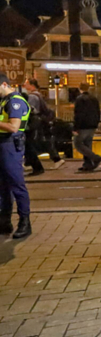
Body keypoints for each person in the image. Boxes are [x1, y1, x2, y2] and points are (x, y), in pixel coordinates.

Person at [0, 72, 32, 239]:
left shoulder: (16, 101)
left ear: (4, 85)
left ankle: (24, 222)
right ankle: (4, 221)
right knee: (3, 185)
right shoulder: (4, 100)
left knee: (16, 183)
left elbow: (13, 127)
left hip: (10, 144)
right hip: (3, 144)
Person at [73, 83, 101, 172]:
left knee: (78, 144)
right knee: (87, 144)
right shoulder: (94, 98)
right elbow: (98, 112)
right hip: (92, 125)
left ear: (79, 88)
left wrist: (75, 127)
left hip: (83, 125)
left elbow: (78, 114)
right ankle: (88, 164)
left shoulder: (79, 99)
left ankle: (95, 158)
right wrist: (96, 123)